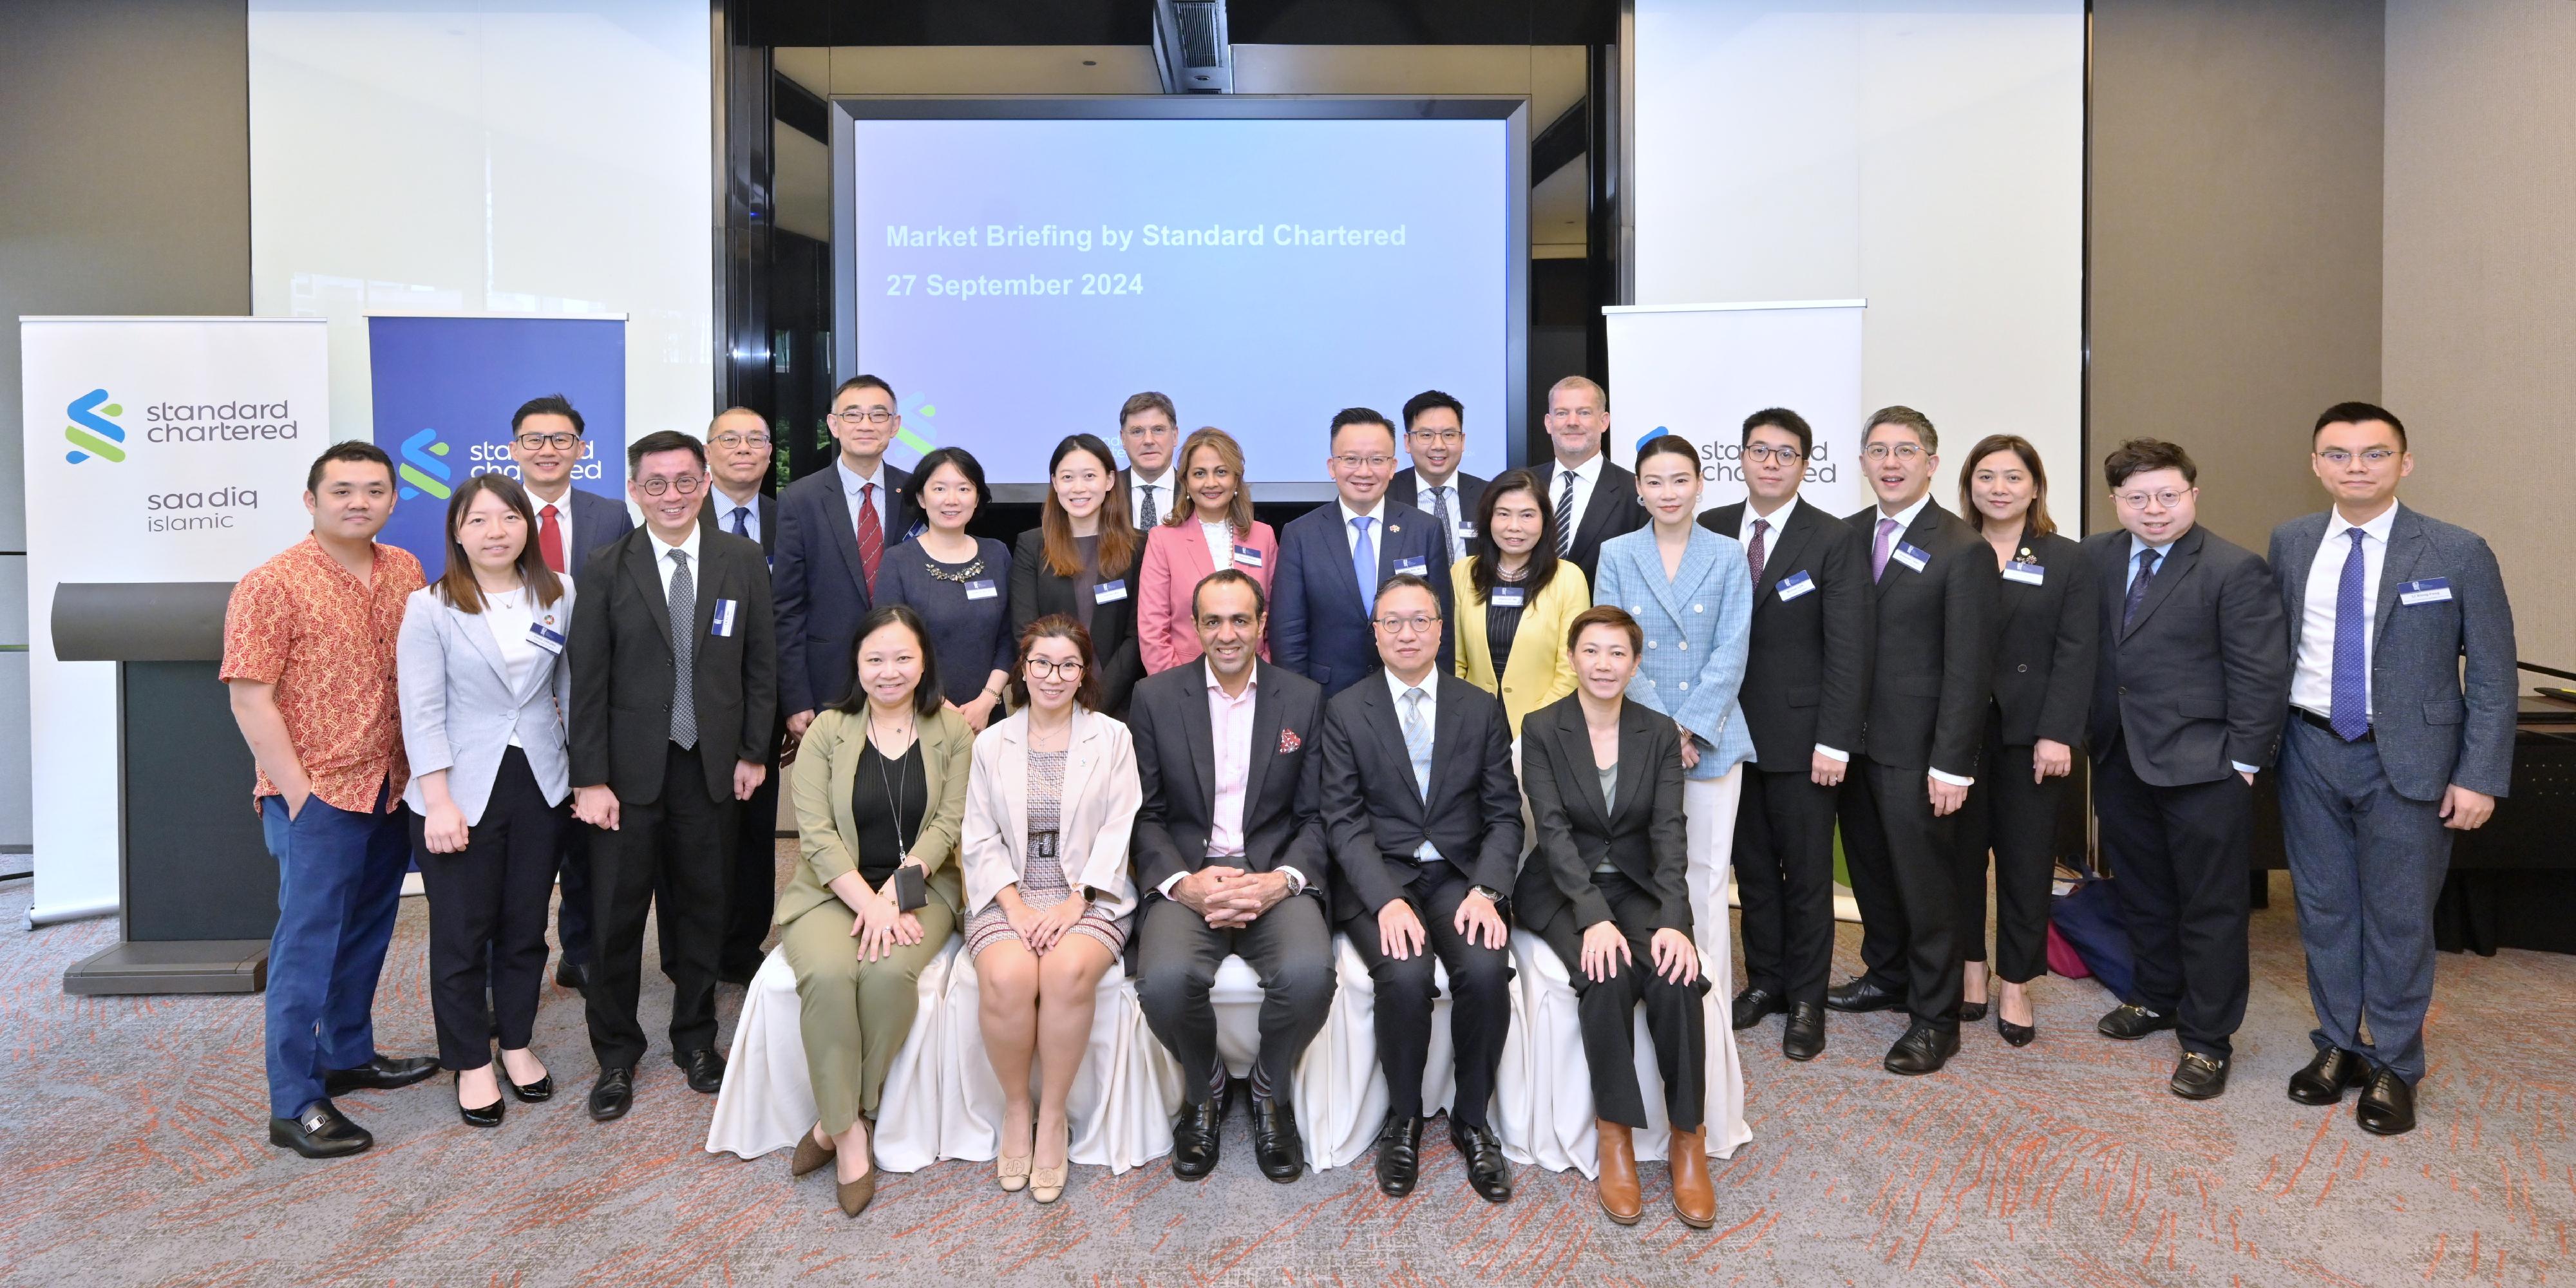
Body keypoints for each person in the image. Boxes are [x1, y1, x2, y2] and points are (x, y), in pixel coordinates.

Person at [2268, 403, 2513, 1135]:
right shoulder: (2291, 541)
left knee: (2400, 918)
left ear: (2403, 463)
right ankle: (2338, 1043)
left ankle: (2396, 1063)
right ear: (2315, 464)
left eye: (2373, 454)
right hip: (2308, 749)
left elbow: (2494, 676)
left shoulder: (2456, 549)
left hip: (2411, 761)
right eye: (2337, 454)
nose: (2355, 467)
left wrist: (2480, 776)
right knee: (2324, 910)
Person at [223, 440, 437, 1158]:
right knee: (306, 946)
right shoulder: (271, 583)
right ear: (311, 500)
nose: (359, 502)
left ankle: (348, 1052)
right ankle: (295, 1100)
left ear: (392, 500)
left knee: (370, 929)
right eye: (342, 490)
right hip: (318, 795)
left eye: (374, 490)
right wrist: (301, 794)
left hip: (391, 786)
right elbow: (251, 699)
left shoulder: (405, 568)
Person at [567, 430, 777, 1121]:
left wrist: (753, 751)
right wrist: (589, 776)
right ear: (634, 489)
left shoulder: (741, 560)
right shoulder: (605, 564)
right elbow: (587, 679)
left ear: (706, 483)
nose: (672, 495)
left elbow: (759, 665)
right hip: (626, 776)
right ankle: (617, 1055)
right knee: (616, 919)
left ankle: (695, 1037)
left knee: (702, 910)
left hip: (710, 766)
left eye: (686, 481)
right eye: (655, 483)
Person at [2083, 438, 2288, 1100]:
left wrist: (2244, 762)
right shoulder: (2094, 557)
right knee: (2141, 893)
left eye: (2168, 495)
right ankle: (2153, 997)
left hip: (2205, 767)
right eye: (2137, 497)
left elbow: (2260, 673)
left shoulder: (2232, 567)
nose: (2154, 509)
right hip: (2119, 758)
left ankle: (2206, 1039)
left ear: (2193, 494)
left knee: (2210, 907)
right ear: (2115, 500)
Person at [1317, 574, 1520, 1204]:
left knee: (1486, 970)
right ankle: (1402, 1119)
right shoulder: (1346, 709)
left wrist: (1487, 888)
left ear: (1440, 628)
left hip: (1460, 877)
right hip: (1382, 876)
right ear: (1375, 634)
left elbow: (1504, 813)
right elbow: (1343, 821)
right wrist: (1386, 899)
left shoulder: (1479, 705)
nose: (1407, 633)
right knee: (1404, 974)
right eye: (1392, 622)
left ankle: (1471, 1118)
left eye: (1419, 620)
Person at [1128, 569, 1335, 1184]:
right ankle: (1206, 1086)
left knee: (1307, 975)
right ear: (1195, 627)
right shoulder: (1155, 698)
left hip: (1271, 875)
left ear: (1262, 625)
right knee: (1162, 980)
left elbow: (1318, 815)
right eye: (1213, 621)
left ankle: (1270, 1089)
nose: (1227, 633)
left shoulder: (1301, 698)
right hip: (1191, 875)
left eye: (1240, 619)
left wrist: (1280, 881)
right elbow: (1145, 814)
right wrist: (1184, 884)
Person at [1515, 607, 1714, 1230]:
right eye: (1592, 651)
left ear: (1635, 661)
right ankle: (1616, 1136)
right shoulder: (1542, 727)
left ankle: (1688, 1137)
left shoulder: (1656, 731)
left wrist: (1675, 920)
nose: (1604, 664)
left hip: (1635, 883)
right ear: (1572, 657)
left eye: (1617, 653)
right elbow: (1550, 833)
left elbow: (1668, 833)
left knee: (1675, 974)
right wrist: (1592, 916)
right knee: (1604, 974)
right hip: (1559, 887)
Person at [777, 604, 972, 1217]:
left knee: (889, 974)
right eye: (875, 659)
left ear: (924, 663)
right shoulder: (826, 732)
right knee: (832, 976)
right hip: (833, 892)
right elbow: (815, 834)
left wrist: (896, 896)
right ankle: (853, 1133)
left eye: (903, 658)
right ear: (857, 665)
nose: (889, 672)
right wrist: (869, 901)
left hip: (920, 890)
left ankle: (832, 1124)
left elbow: (950, 822)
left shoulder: (953, 730)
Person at [395, 473, 573, 1126]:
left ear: (529, 524)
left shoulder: (559, 593)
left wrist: (582, 777)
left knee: (526, 926)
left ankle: (518, 1042)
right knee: (463, 932)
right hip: (459, 788)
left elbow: (571, 692)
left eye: (508, 517)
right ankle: (471, 1058)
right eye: (478, 520)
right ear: (457, 532)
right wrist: (437, 798)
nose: (495, 531)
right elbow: (421, 710)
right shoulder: (430, 606)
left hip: (541, 781)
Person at [1825, 407, 1997, 1078]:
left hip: (1920, 750)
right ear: (1863, 462)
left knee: (1928, 888)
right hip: (1851, 746)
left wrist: (1952, 761)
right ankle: (1887, 973)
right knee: (1869, 871)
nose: (1890, 462)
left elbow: (1968, 666)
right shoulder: (1843, 537)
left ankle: (1935, 1016)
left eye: (1905, 450)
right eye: (1877, 450)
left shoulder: (1961, 547)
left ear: (1930, 461)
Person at [1698, 408, 1868, 1062]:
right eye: (1759, 450)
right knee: (1751, 872)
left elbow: (1849, 649)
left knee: (1805, 876)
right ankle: (1765, 980)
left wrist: (1834, 740)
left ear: (1805, 463)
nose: (1770, 462)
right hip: (1725, 734)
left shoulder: (1831, 538)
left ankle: (1806, 998)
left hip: (1803, 741)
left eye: (1786, 453)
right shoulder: (1710, 528)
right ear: (1739, 456)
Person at [961, 616, 1142, 1204]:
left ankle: (1055, 1117)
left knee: (1064, 972)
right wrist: (1013, 906)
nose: (1053, 676)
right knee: (1010, 976)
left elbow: (1120, 828)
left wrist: (1075, 902)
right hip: (1008, 893)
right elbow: (979, 836)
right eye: (1041, 663)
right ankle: (1019, 1111)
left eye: (1068, 665)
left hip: (1089, 895)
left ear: (1083, 672)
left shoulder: (1112, 737)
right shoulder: (992, 741)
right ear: (1023, 667)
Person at [1950, 435, 2096, 1048]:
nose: (1999, 488)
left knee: (2026, 863)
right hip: (1956, 735)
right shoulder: (1950, 550)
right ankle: (1971, 969)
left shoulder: (2066, 558)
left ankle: (2016, 980)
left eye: (2013, 477)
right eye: (1986, 476)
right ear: (1969, 486)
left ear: (2035, 487)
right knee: (1957, 861)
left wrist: (2058, 732)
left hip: (2033, 737)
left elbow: (2076, 651)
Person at [505, 393, 632, 992]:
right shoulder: (493, 512)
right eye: (534, 439)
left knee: (589, 843)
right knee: (525, 848)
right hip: (519, 700)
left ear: (580, 449)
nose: (548, 450)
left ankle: (579, 950)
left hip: (594, 696)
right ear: (515, 450)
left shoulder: (611, 515)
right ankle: (511, 963)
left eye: (560, 439)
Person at [775, 375, 918, 750]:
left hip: (907, 680)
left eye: (878, 414)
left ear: (896, 425)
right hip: (829, 681)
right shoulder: (800, 499)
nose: (866, 424)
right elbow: (787, 608)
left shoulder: (917, 495)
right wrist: (796, 697)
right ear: (833, 425)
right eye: (853, 415)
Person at [1273, 407, 1456, 697]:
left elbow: (1441, 629)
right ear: (1332, 467)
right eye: (1351, 459)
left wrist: (1443, 700)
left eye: (1377, 460)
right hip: (1325, 699)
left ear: (1393, 466)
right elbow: (1289, 635)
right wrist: (1298, 706)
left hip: (1409, 694)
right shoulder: (1300, 535)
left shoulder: (1425, 529)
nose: (1364, 471)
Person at [697, 406, 782, 983]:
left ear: (771, 453)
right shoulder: (677, 514)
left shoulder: (788, 518)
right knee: (698, 835)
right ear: (709, 451)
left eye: (757, 439)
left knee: (755, 833)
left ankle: (743, 945)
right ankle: (696, 943)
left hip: (763, 701)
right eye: (731, 439)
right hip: (692, 706)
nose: (744, 449)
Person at [873, 446, 1014, 732]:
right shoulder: (898, 561)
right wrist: (937, 703)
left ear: (977, 498)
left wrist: (987, 701)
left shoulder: (997, 554)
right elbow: (889, 644)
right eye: (939, 488)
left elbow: (1009, 637)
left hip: (988, 716)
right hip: (919, 712)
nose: (952, 500)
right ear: (922, 498)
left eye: (964, 488)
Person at [1011, 434, 1144, 717]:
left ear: (1109, 481)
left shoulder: (1138, 547)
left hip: (1119, 706)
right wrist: (1059, 689)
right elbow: (1025, 630)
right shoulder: (1032, 545)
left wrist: (1098, 700)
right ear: (1055, 483)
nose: (1078, 487)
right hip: (1049, 697)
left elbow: (1136, 636)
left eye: (1089, 476)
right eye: (1068, 477)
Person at [1452, 468, 1588, 737]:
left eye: (1527, 515)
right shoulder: (1463, 572)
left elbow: (1572, 668)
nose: (1514, 526)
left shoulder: (1568, 578)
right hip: (1472, 725)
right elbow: (1455, 662)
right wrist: (1462, 714)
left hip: (1546, 728)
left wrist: (1537, 725)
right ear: (1488, 518)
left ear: (1545, 521)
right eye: (1503, 514)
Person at [1136, 426, 1278, 674]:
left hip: (1254, 680)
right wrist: (1177, 689)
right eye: (1200, 473)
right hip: (1184, 681)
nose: (1211, 483)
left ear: (1236, 479)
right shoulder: (1162, 540)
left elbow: (1272, 618)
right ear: (1186, 482)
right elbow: (1152, 630)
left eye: (1221, 472)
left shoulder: (1263, 536)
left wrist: (1264, 674)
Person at [1531, 376, 1646, 585]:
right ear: (1549, 423)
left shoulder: (1636, 493)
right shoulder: (1523, 485)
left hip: (1602, 615)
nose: (1572, 422)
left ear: (1604, 422)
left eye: (1584, 413)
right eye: (1562, 413)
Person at [1387, 389, 1486, 569]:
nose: (1438, 446)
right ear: (1408, 442)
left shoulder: (1488, 495)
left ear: (1462, 441)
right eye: (1426, 435)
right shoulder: (1387, 495)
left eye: (1449, 435)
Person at [1119, 391, 1183, 537]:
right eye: (1137, 431)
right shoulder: (1106, 492)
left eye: (1158, 430)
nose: (1148, 440)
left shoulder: (1194, 492)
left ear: (1175, 436)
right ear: (1123, 439)